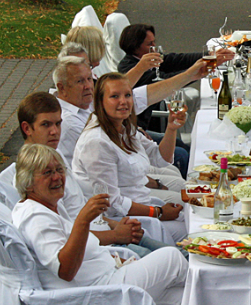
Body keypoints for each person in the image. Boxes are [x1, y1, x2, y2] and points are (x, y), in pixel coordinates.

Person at [11, 143, 191, 305]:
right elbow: (65, 270)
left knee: (179, 303)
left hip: (107, 279)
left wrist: (113, 251)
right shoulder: (36, 218)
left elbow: (79, 248)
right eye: (47, 173)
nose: (57, 177)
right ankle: (218, 301)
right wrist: (83, 221)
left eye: (59, 170)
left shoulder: (47, 206)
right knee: (172, 258)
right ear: (28, 183)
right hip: (96, 295)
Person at [17, 92, 169, 255]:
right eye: (46, 125)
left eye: (58, 124)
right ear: (27, 128)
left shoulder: (55, 154)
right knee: (169, 258)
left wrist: (116, 226)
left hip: (106, 226)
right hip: (96, 247)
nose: (54, 131)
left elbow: (81, 207)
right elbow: (67, 235)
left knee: (176, 253)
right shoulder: (33, 178)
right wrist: (117, 234)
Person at [72, 74, 189, 243]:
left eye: (127, 95)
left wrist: (171, 128)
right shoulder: (97, 142)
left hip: (144, 204)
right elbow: (112, 203)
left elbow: (160, 158)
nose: (123, 101)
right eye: (114, 96)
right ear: (100, 101)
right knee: (192, 233)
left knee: (192, 217)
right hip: (124, 221)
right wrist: (158, 212)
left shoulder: (124, 127)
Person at [117, 23, 233, 130]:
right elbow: (166, 80)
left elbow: (177, 60)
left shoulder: (147, 59)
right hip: (147, 125)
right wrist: (194, 73)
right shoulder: (129, 68)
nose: (154, 46)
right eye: (149, 44)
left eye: (154, 42)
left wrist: (208, 56)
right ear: (135, 47)